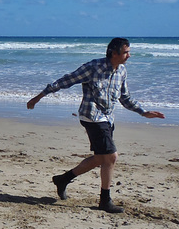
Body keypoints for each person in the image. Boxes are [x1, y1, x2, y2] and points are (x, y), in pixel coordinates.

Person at [27, 37, 165, 213]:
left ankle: (63, 179)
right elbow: (65, 81)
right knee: (111, 157)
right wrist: (38, 97)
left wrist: (143, 112)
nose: (129, 56)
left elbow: (125, 97)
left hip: (107, 118)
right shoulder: (93, 67)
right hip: (92, 117)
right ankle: (105, 200)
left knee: (101, 158)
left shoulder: (121, 71)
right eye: (126, 52)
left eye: (129, 52)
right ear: (113, 53)